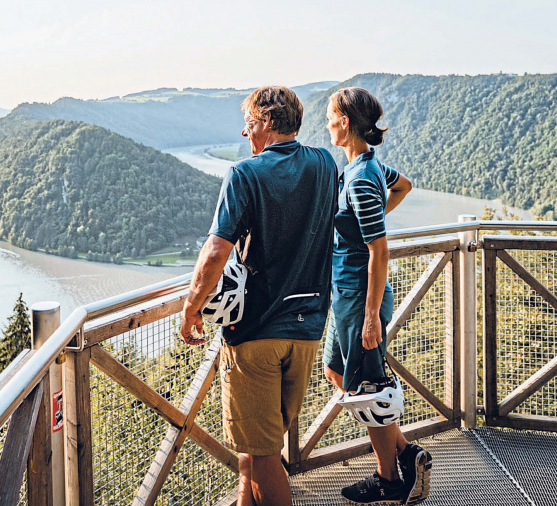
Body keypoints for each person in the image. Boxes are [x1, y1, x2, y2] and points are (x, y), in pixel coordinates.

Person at [181, 86, 338, 506]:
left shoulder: (245, 174)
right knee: (257, 442)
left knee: (265, 454)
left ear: (266, 123)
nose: (247, 134)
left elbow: (216, 252)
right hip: (307, 330)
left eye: (249, 124)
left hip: (256, 333)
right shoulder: (325, 163)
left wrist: (191, 308)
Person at [322, 87, 432, 505]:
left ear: (345, 123)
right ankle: (407, 453)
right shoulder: (368, 167)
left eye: (330, 118)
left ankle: (390, 477)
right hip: (346, 295)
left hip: (357, 297)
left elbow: (379, 251)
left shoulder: (362, 180)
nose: (327, 125)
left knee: (367, 387)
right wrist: (372, 221)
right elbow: (404, 185)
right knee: (337, 372)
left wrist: (370, 317)